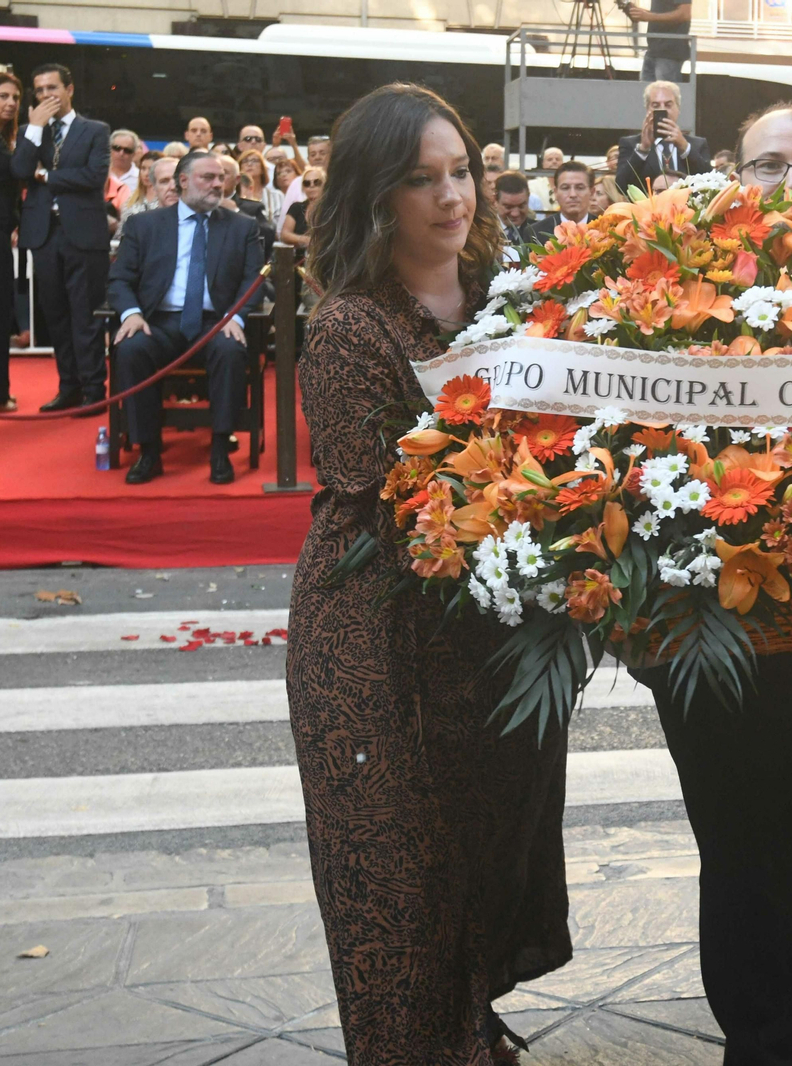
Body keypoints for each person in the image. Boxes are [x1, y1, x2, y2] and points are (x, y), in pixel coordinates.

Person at [288, 83, 572, 1065]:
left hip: (494, 627)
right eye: (421, 179)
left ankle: (469, 1029)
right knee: (399, 877)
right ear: (375, 195)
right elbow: (388, 491)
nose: (451, 196)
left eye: (461, 171)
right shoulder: (350, 327)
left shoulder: (511, 293)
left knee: (489, 849)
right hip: (382, 637)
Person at [626, 99, 792, 1066]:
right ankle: (773, 1041)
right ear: (733, 175)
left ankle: (769, 982)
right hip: (708, 633)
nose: (790, 184)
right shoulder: (663, 277)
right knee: (739, 851)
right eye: (770, 164)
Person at [107, 152, 264, 485]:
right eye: (208, 177)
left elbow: (254, 280)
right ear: (183, 181)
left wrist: (235, 317)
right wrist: (131, 314)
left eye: (220, 177)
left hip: (216, 321)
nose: (218, 184)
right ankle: (149, 451)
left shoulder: (242, 227)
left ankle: (220, 448)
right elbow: (119, 279)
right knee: (131, 349)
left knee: (230, 350)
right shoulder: (145, 225)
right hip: (158, 321)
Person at [12, 63, 111, 412]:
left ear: (69, 90)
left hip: (83, 235)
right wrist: (35, 128)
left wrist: (47, 177)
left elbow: (93, 176)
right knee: (55, 316)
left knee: (86, 316)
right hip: (43, 235)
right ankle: (68, 386)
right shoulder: (30, 131)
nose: (45, 95)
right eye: (39, 90)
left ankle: (94, 390)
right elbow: (20, 170)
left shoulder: (95, 130)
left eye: (51, 88)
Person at [616, 80, 710, 191]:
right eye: (655, 105)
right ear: (647, 110)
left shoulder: (697, 145)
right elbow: (621, 186)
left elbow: (709, 182)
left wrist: (684, 148)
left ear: (678, 108)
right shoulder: (631, 144)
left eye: (668, 105)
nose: (662, 109)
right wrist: (643, 149)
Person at [0, 72, 20, 412]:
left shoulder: (3, 139)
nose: (11, 103)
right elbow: (14, 170)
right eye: (3, 96)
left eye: (15, 97)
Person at [620, 0, 692, 83]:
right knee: (646, 89)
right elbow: (659, 14)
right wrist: (641, 13)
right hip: (653, 50)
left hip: (669, 52)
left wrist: (649, 16)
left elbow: (685, 14)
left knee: (665, 89)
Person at [532, 160, 593, 239]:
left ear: (592, 192)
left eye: (580, 188)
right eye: (565, 188)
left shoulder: (604, 230)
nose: (573, 194)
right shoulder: (535, 233)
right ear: (555, 192)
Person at [280, 165, 323, 248]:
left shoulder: (331, 209)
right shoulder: (296, 207)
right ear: (303, 187)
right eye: (307, 183)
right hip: (300, 253)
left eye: (316, 182)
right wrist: (305, 240)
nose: (311, 185)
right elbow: (284, 234)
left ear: (324, 185)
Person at [493, 169, 534, 244]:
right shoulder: (480, 232)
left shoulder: (540, 233)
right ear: (495, 200)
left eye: (521, 206)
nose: (515, 214)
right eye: (508, 207)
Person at [106, 128, 141, 211]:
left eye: (127, 150)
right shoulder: (100, 174)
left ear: (134, 154)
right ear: (109, 149)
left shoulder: (140, 178)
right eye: (117, 148)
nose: (121, 153)